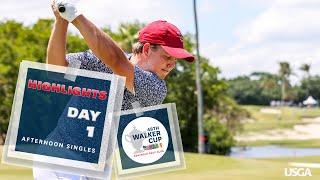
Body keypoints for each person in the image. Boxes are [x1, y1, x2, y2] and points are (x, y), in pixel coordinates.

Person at [33, 0, 195, 179]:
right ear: (147, 49)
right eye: (167, 57)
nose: (172, 65)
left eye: (175, 60)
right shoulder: (99, 59)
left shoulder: (155, 88)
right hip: (60, 159)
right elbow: (57, 71)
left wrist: (75, 16)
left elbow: (116, 62)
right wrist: (61, 21)